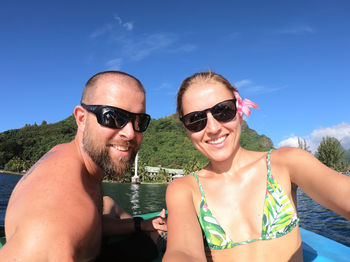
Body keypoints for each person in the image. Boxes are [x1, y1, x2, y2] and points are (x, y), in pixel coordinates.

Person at [163, 71, 350, 262]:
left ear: (239, 112)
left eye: (223, 111)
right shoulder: (184, 189)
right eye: (196, 120)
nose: (212, 128)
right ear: (186, 129)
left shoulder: (286, 162)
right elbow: (182, 252)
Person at [0, 71, 167, 261]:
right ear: (81, 118)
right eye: (112, 117)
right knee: (150, 243)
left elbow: (93, 220)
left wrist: (140, 224)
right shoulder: (56, 212)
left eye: (139, 121)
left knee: (109, 203)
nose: (129, 133)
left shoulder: (70, 156)